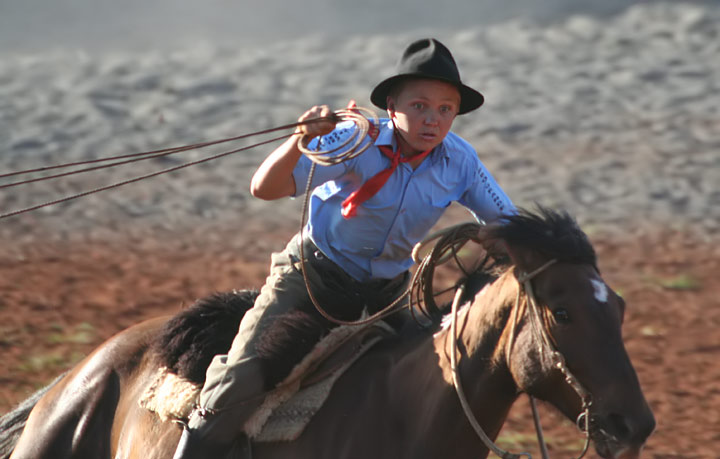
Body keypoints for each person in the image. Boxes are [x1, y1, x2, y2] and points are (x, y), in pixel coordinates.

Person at [173, 37, 516, 458]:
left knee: (439, 376)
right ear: (392, 105)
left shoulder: (461, 160)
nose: (433, 120)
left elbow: (509, 221)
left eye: (446, 109)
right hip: (312, 281)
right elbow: (265, 188)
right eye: (420, 106)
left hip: (388, 298)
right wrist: (298, 140)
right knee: (241, 379)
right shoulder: (355, 140)